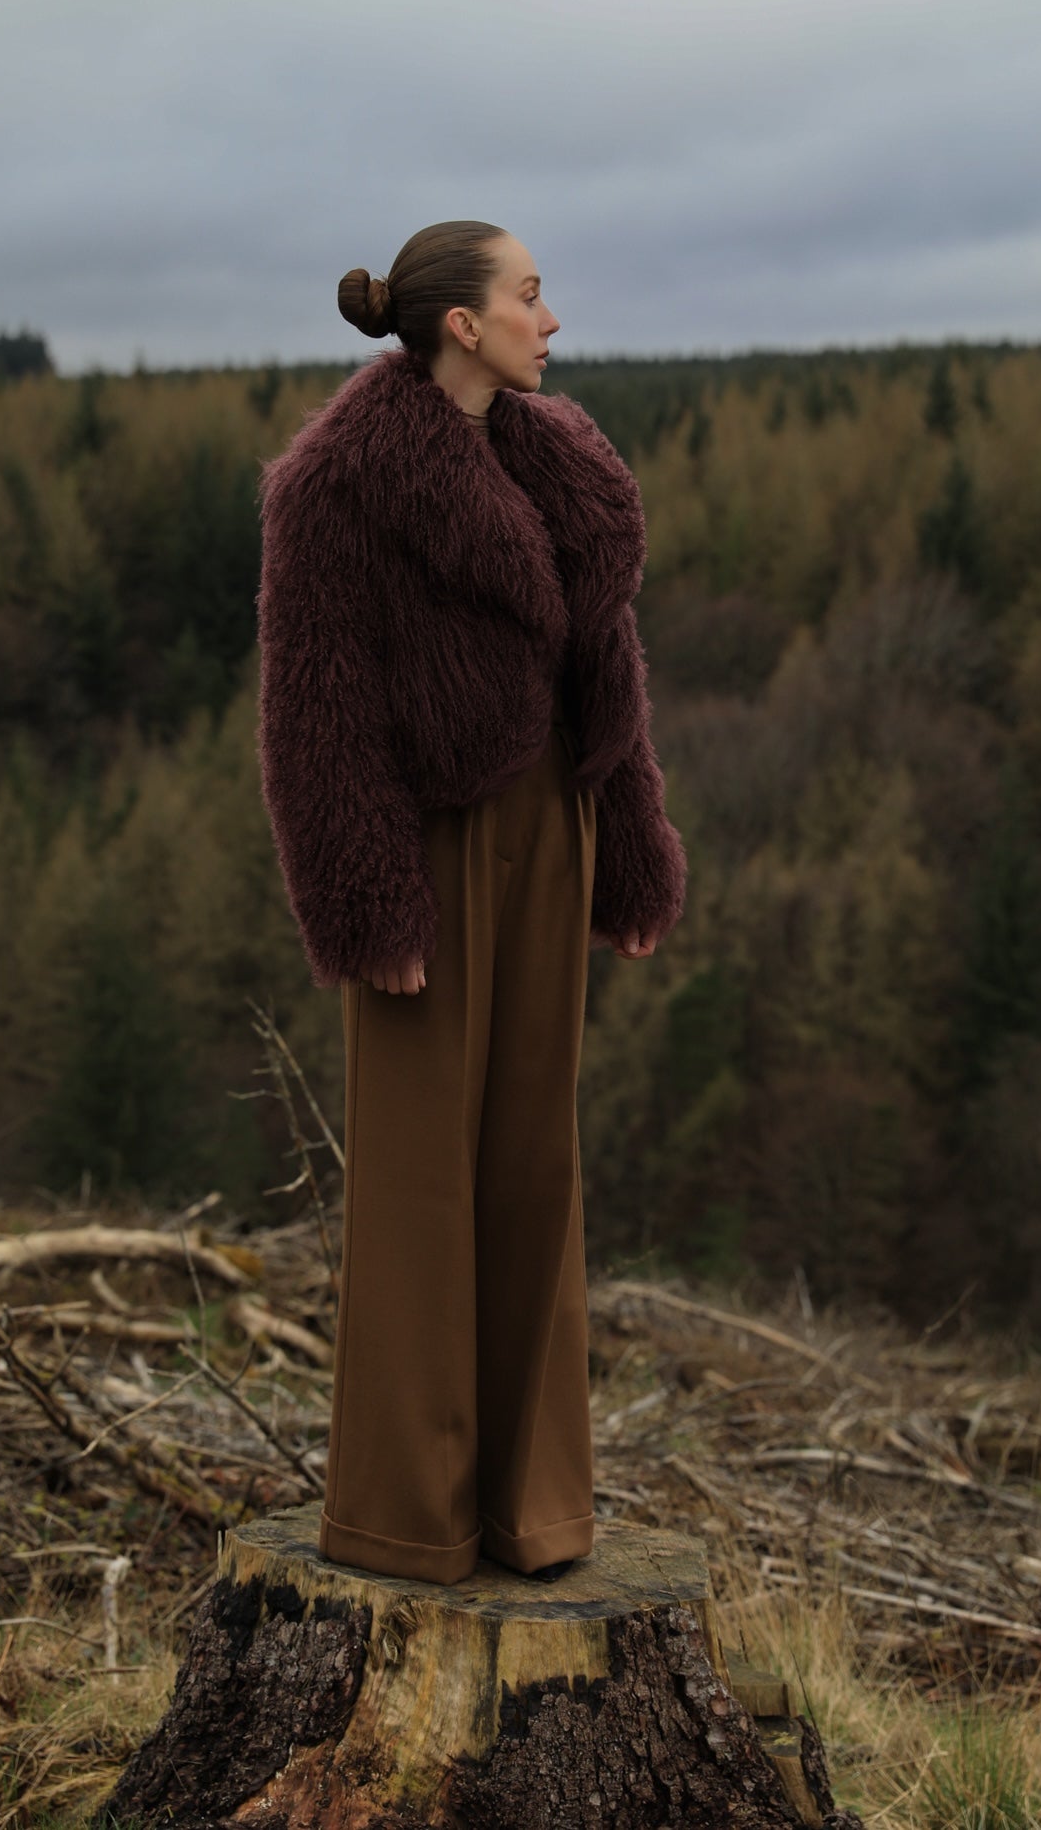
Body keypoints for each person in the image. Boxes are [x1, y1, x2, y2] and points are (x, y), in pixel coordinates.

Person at [255, 220, 686, 1587]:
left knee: (533, 1168)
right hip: (425, 852)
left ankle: (535, 1508)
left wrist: (630, 849)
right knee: (420, 1177)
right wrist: (369, 902)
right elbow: (315, 712)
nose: (549, 321)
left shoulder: (561, 464)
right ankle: (405, 1515)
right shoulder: (334, 484)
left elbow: (605, 678)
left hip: (552, 830)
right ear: (458, 321)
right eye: (530, 295)